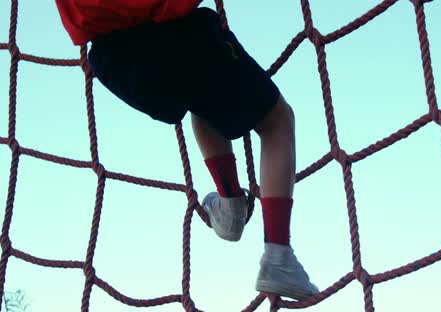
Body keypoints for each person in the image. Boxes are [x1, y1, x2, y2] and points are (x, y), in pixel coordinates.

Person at [54, 0, 319, 301]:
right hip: (172, 34)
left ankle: (230, 206)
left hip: (115, 62)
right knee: (277, 122)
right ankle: (278, 257)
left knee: (199, 93)